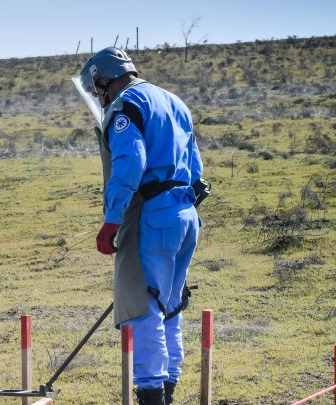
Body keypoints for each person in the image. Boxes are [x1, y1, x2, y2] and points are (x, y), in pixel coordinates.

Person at [76, 47, 205, 405]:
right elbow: (196, 166)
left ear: (104, 81)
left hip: (153, 216)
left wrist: (111, 220)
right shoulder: (174, 101)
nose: (98, 97)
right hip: (186, 215)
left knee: (142, 307)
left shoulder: (125, 106)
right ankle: (168, 391)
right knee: (170, 306)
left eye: (96, 89)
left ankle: (151, 394)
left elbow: (131, 163)